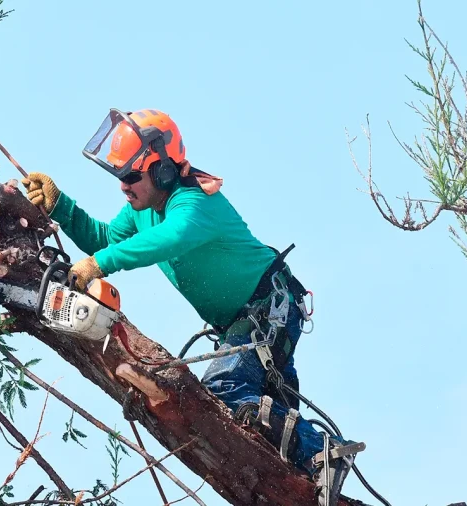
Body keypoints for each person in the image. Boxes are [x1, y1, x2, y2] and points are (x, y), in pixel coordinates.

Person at [21, 108, 362, 505]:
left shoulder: (195, 203)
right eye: (119, 176)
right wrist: (61, 207)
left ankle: (323, 451)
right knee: (266, 433)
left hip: (267, 309)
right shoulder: (142, 210)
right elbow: (107, 240)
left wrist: (100, 265)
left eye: (131, 176)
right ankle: (312, 475)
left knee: (225, 390)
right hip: (245, 322)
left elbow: (171, 237)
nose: (123, 186)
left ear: (163, 171)